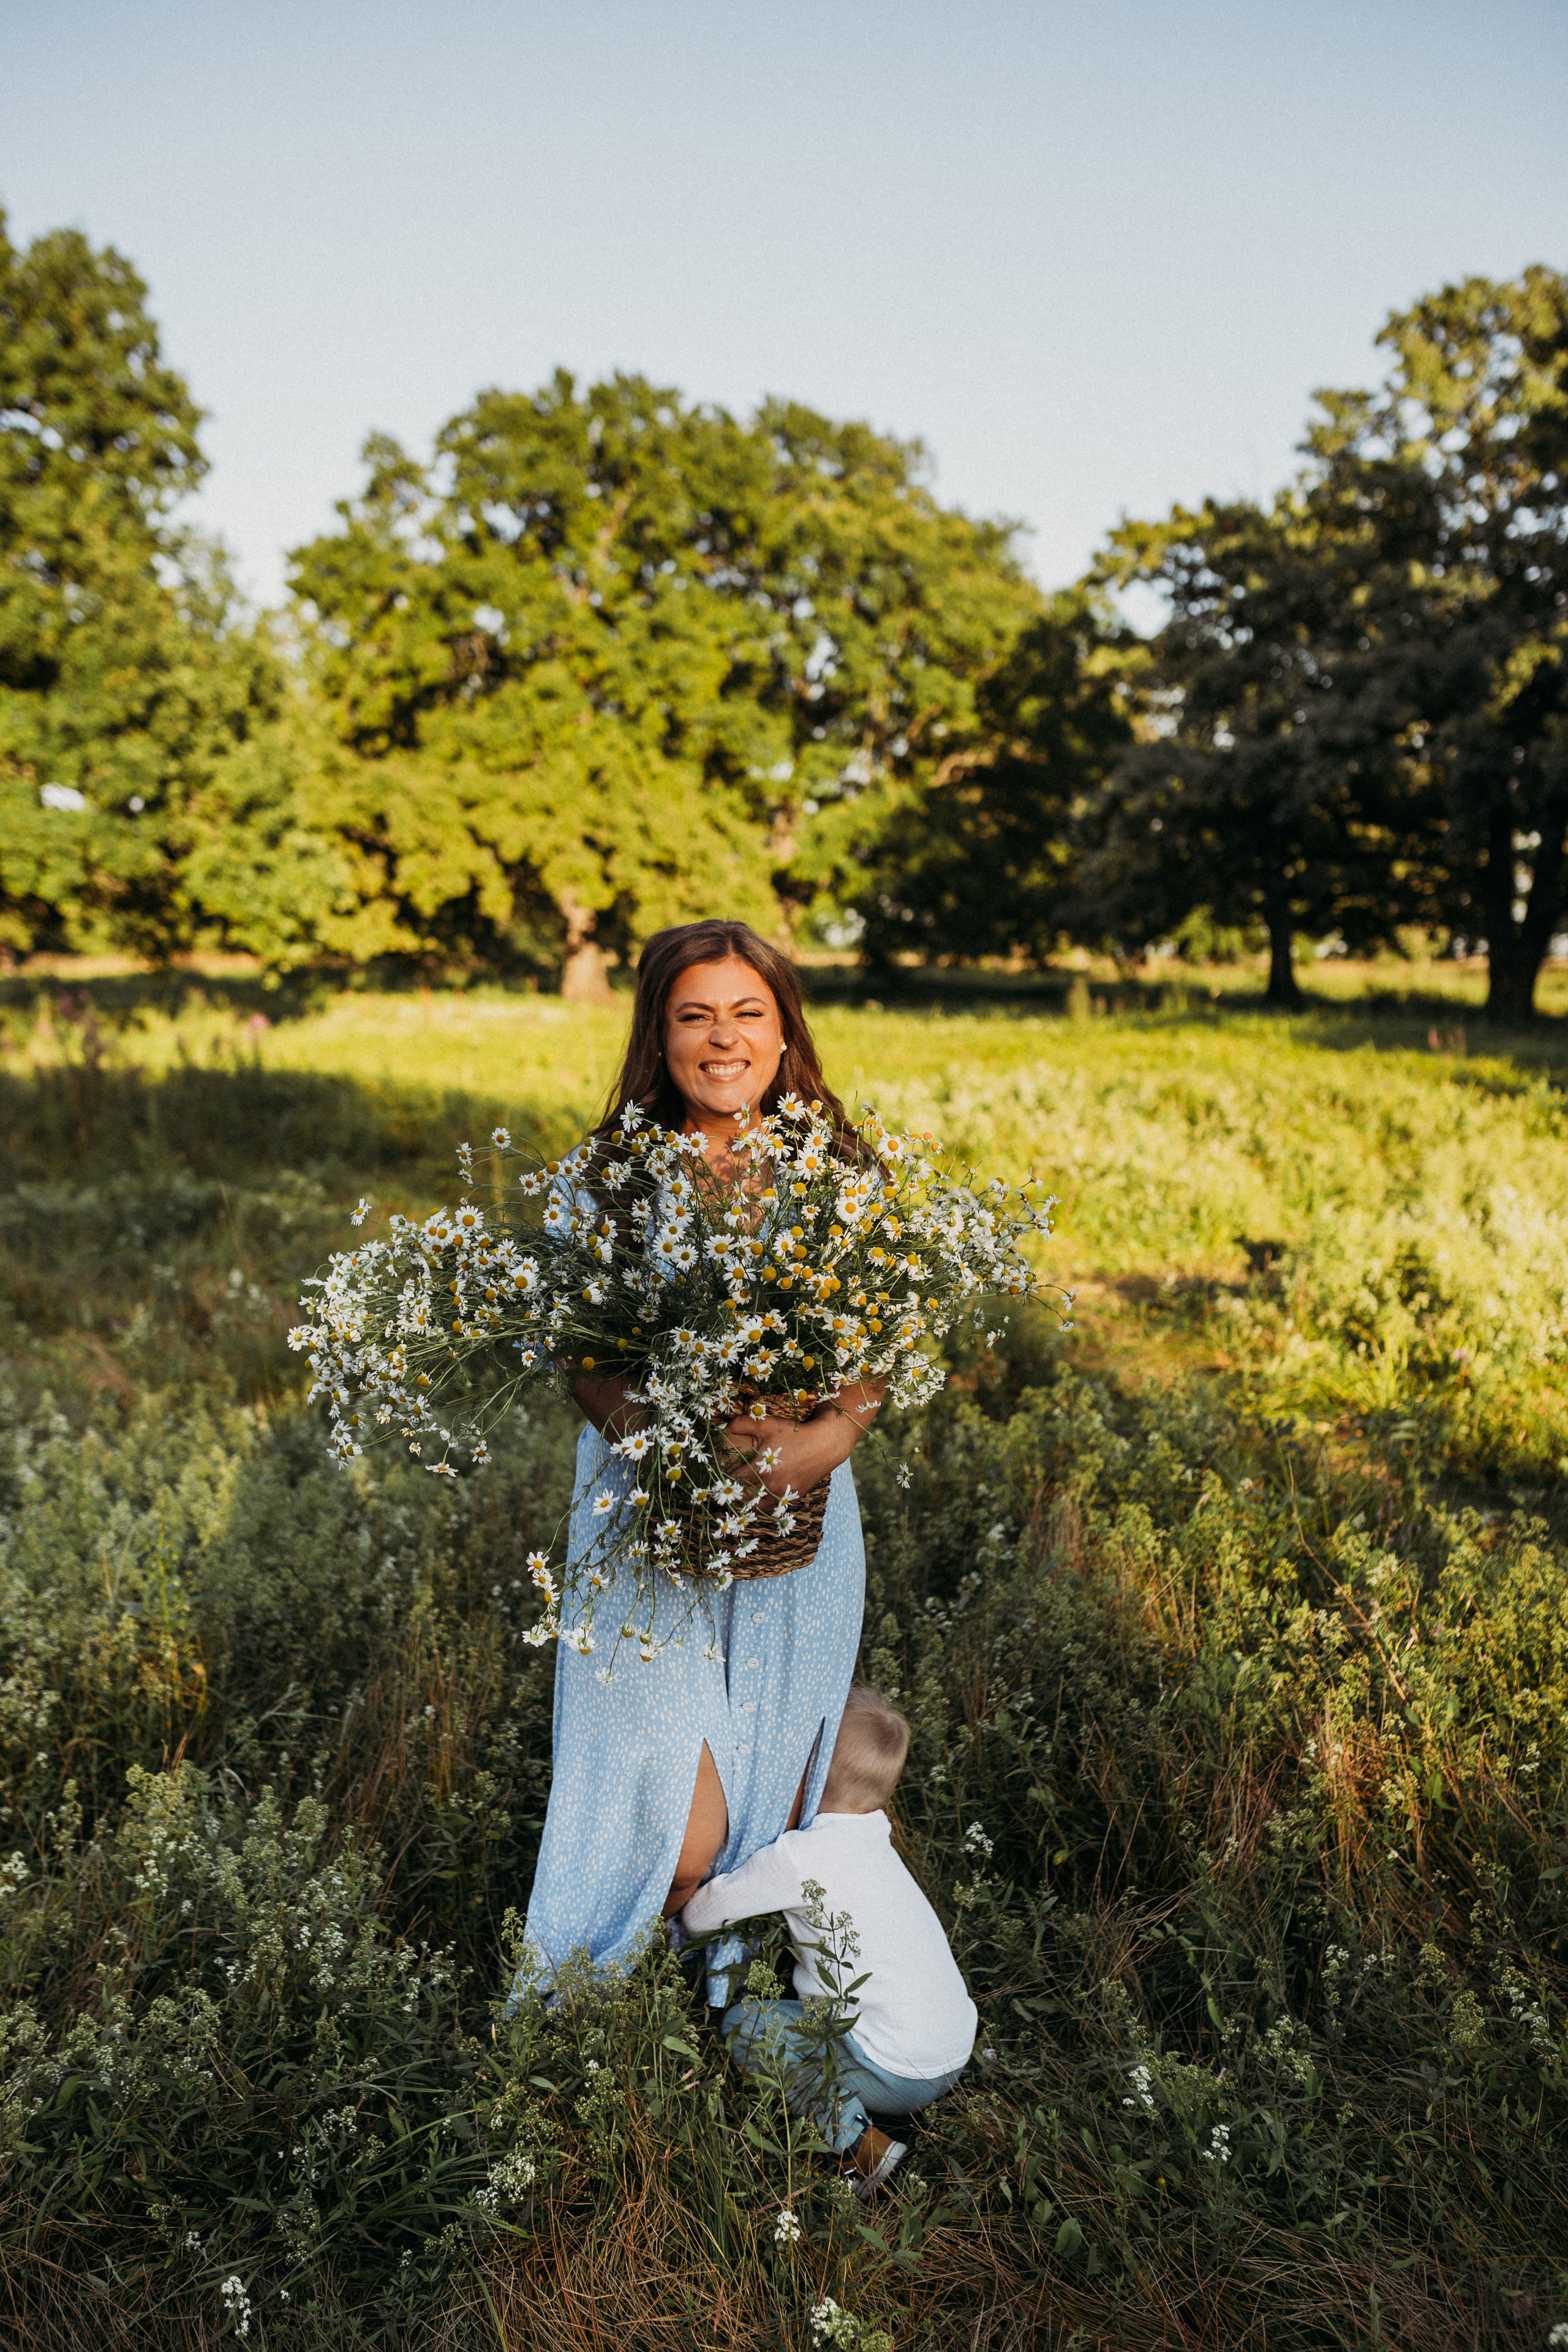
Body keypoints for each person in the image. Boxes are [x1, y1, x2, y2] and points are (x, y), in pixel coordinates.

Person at [519, 920, 884, 1996]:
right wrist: (660, 1432)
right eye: (695, 1016)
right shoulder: (606, 1179)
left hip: (797, 1528)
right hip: (645, 1525)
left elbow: (883, 1348)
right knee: (681, 1835)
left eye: (747, 1014)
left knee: (770, 1810)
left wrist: (824, 1440)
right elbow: (575, 1354)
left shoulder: (840, 1175)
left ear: (783, 1036)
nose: (722, 1040)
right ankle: (619, 1985)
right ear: (659, 1035)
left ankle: (726, 2016)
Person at [680, 1687, 977, 2199]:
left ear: (810, 1772)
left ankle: (860, 2151)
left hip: (896, 2066)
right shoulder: (876, 1843)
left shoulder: (801, 1858)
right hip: (952, 2048)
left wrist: (677, 1919)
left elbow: (706, 1912)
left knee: (747, 2028)